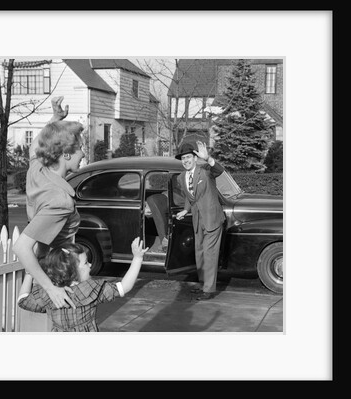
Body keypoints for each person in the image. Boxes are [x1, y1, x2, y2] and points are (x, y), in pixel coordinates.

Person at [12, 97, 85, 330]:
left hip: (45, 273)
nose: (83, 153)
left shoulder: (38, 169)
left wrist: (56, 120)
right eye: (80, 148)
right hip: (56, 276)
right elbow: (21, 247)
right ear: (65, 155)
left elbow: (37, 147)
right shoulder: (60, 201)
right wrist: (51, 288)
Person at [17, 237, 148, 332]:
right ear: (72, 272)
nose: (90, 264)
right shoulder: (91, 290)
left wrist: (30, 273)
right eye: (85, 263)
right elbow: (124, 287)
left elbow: (23, 300)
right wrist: (137, 258)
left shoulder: (49, 293)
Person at [175, 141, 225, 300]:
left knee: (210, 254)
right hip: (197, 220)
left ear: (195, 158)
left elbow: (219, 170)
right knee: (200, 254)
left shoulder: (205, 172)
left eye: (189, 157)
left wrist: (208, 157)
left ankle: (209, 290)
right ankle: (203, 284)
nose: (186, 161)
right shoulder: (181, 177)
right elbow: (191, 197)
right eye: (183, 158)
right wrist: (185, 209)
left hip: (212, 219)